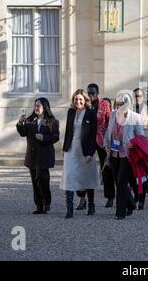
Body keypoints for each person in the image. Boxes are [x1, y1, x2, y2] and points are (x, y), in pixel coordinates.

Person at [104, 93, 144, 219]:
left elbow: (141, 136)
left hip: (127, 154)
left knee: (121, 181)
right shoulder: (112, 115)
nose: (119, 106)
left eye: (122, 104)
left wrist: (134, 144)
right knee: (117, 181)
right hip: (113, 152)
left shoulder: (135, 117)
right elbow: (108, 130)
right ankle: (131, 204)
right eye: (117, 103)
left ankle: (120, 212)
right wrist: (106, 144)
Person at [16, 98, 60, 214]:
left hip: (45, 155)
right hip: (32, 155)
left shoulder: (52, 121)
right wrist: (20, 123)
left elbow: (55, 137)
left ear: (45, 107)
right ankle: (39, 206)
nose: (36, 108)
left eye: (39, 106)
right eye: (35, 105)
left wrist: (44, 138)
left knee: (42, 179)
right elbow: (22, 132)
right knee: (35, 181)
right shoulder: (30, 120)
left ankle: (47, 201)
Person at [61, 90, 99, 218]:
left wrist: (90, 153)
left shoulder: (91, 114)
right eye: (76, 99)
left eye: (80, 99)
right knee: (69, 176)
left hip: (85, 150)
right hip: (71, 148)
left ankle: (91, 204)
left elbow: (94, 136)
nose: (78, 101)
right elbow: (67, 131)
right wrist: (64, 149)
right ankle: (69, 208)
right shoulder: (70, 112)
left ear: (85, 100)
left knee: (87, 176)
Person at [75, 83, 113, 211]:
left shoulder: (105, 104)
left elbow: (109, 123)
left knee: (107, 169)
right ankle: (82, 198)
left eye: (93, 93)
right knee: (84, 169)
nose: (91, 95)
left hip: (103, 140)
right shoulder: (85, 105)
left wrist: (110, 142)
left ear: (97, 93)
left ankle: (110, 197)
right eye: (89, 93)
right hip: (88, 140)